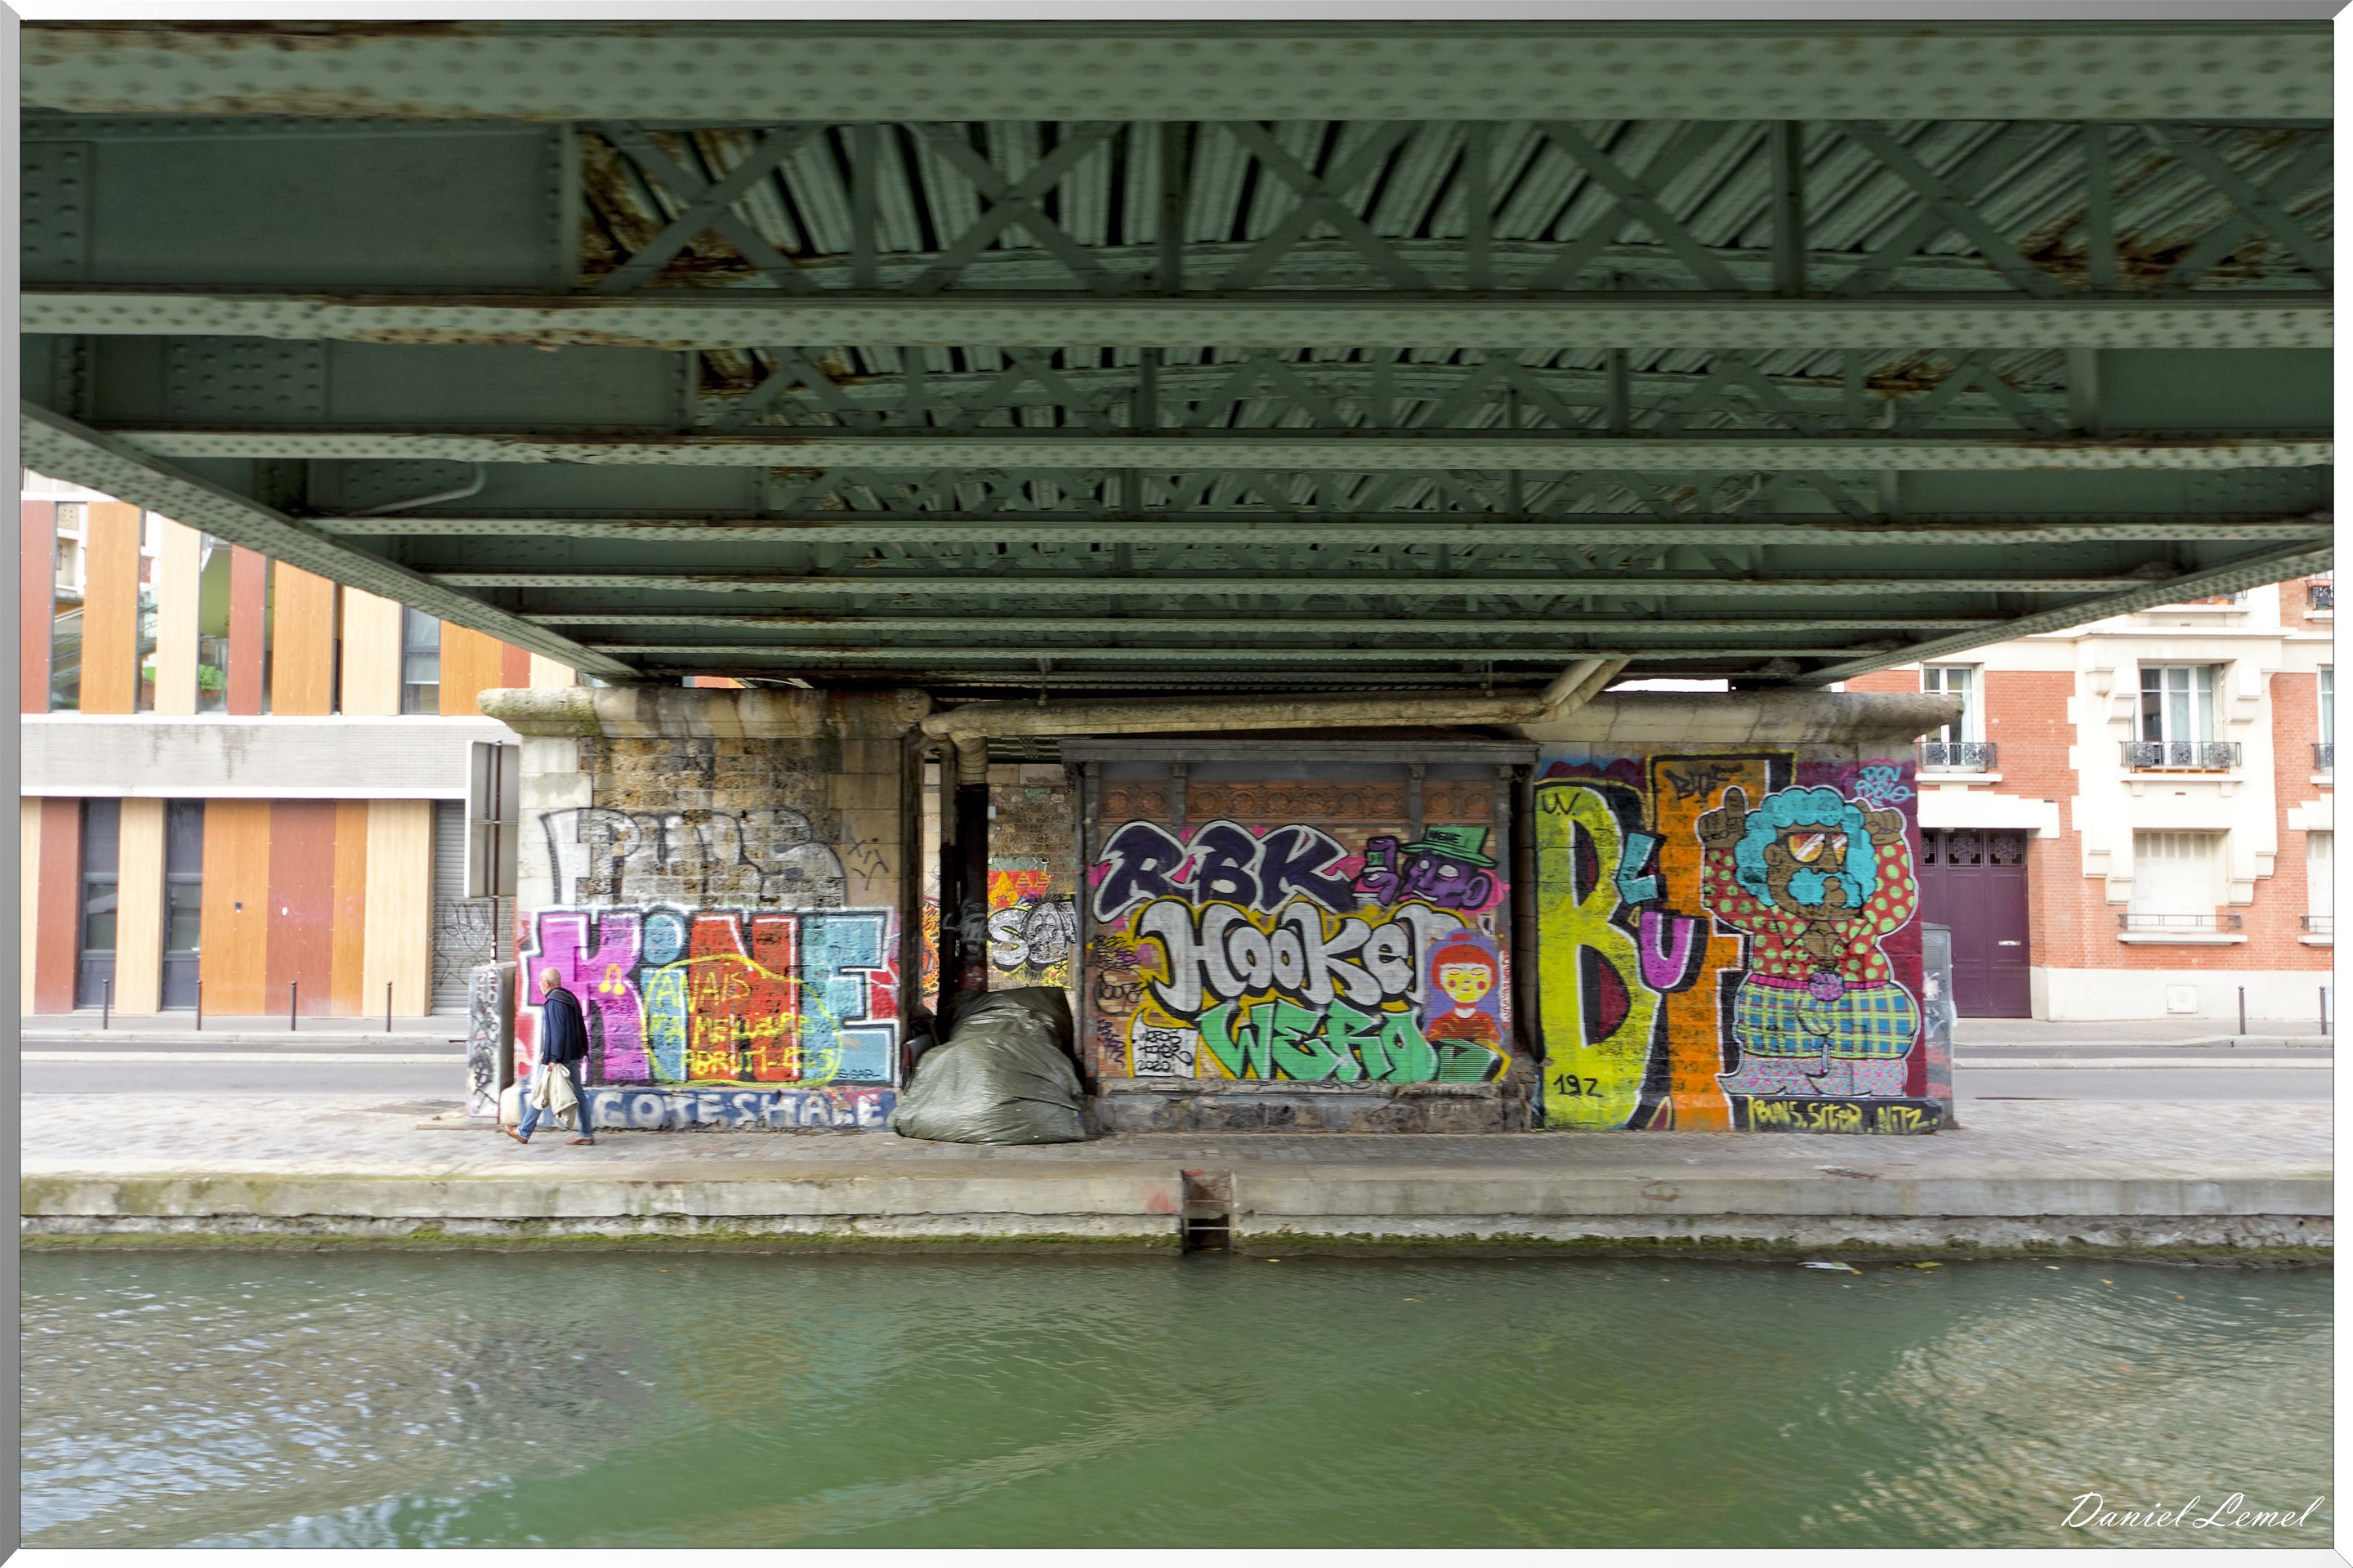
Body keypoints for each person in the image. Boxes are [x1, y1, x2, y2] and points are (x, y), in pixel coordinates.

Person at [509, 967, 595, 1146]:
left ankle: (523, 1132)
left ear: (547, 983)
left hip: (558, 1059)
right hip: (571, 1055)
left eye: (540, 981)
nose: (539, 984)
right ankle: (587, 1134)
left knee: (540, 1092)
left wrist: (553, 1058)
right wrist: (549, 1050)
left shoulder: (554, 1002)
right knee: (579, 1094)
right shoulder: (568, 997)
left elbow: (557, 1032)